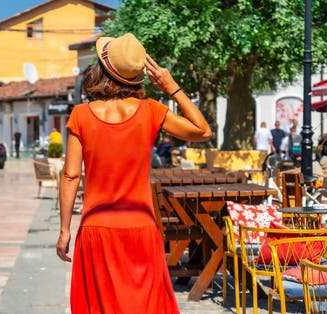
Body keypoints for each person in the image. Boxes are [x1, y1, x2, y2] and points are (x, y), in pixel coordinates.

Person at [56, 33, 211, 313]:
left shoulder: (80, 114)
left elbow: (70, 175)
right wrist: (171, 86)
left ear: (100, 71)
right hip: (140, 226)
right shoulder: (151, 111)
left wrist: (65, 230)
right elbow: (202, 131)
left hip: (97, 228)